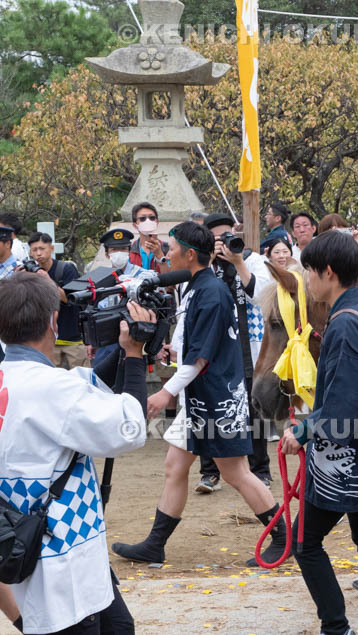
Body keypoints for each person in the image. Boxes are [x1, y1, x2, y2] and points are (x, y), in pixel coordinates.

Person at [111, 221, 290, 568]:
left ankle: (283, 538)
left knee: (236, 473)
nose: (166, 253)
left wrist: (165, 392)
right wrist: (173, 354)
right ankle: (155, 544)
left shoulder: (210, 292)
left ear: (190, 254)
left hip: (217, 398)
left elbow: (202, 357)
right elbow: (200, 350)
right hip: (199, 396)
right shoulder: (196, 285)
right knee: (174, 466)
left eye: (171, 248)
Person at [0, 273, 151, 634]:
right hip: (63, 557)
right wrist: (134, 355)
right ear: (54, 322)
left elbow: (86, 387)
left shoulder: (21, 380)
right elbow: (129, 429)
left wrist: (122, 345)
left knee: (119, 626)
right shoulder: (55, 388)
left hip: (20, 544)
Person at [276, 230, 358, 635]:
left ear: (328, 273)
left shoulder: (345, 324)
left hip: (344, 455)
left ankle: (336, 627)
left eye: (309, 271)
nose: (307, 280)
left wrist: (305, 430)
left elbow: (346, 403)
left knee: (305, 544)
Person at [193, 212, 274, 493]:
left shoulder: (252, 260)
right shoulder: (204, 267)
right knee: (208, 407)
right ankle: (210, 472)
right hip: (213, 348)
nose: (224, 243)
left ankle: (260, 469)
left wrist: (238, 262)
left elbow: (263, 297)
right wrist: (211, 262)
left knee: (254, 410)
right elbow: (191, 296)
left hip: (247, 347)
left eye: (228, 236)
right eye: (217, 239)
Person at [90, 228, 155, 367]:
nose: (119, 253)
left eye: (123, 249)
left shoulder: (144, 276)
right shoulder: (99, 277)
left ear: (129, 251)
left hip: (134, 338)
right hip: (107, 339)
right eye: (114, 249)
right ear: (107, 254)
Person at [26, 232, 87, 369]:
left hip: (72, 338)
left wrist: (47, 280)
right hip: (47, 340)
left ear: (51, 249)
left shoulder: (66, 269)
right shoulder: (30, 273)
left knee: (80, 380)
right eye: (34, 250)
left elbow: (69, 299)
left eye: (42, 248)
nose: (38, 253)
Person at [128, 201, 169, 273]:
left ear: (157, 222)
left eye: (152, 218)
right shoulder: (129, 250)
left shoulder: (168, 249)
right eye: (142, 218)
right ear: (135, 225)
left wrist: (160, 256)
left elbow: (172, 280)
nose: (148, 221)